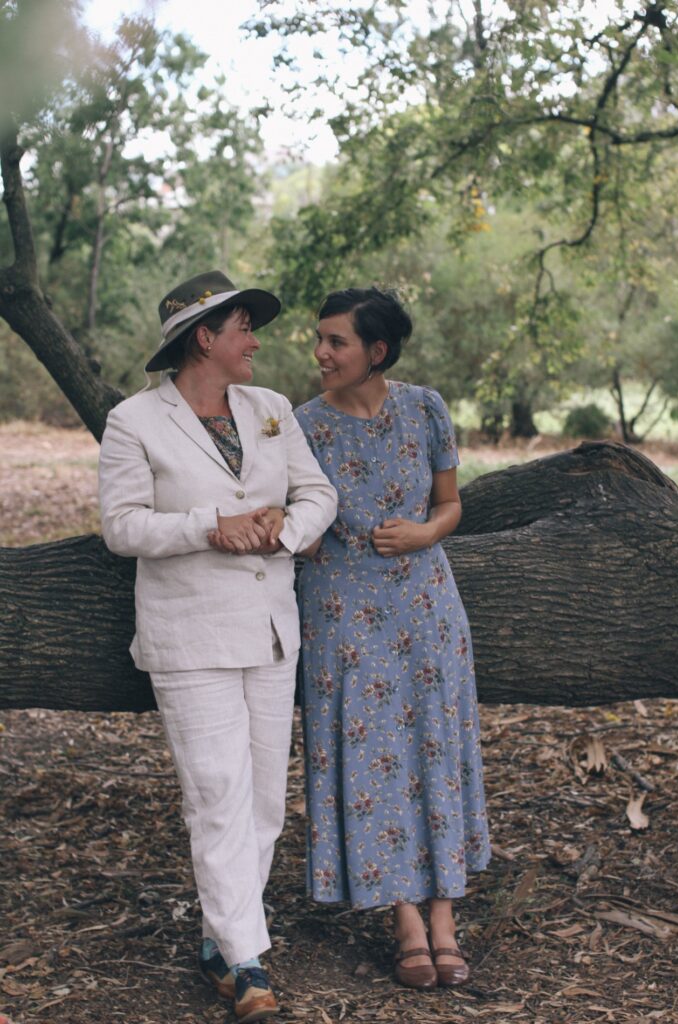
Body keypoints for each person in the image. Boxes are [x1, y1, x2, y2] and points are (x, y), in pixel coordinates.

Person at [98, 270, 337, 1023]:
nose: (255, 341)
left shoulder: (270, 410)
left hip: (270, 631)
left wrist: (284, 530)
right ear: (205, 337)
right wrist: (209, 525)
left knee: (264, 802)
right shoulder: (133, 421)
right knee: (217, 796)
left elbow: (318, 494)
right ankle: (245, 960)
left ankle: (218, 940)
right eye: (243, 329)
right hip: (189, 636)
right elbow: (123, 527)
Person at [294, 287, 490, 990]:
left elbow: (449, 503)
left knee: (434, 746)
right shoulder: (301, 424)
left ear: (376, 351)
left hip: (426, 603)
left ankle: (444, 917)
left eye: (335, 342)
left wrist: (425, 532)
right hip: (342, 612)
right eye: (318, 339)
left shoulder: (425, 407)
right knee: (368, 754)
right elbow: (295, 522)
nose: (319, 353)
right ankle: (403, 918)